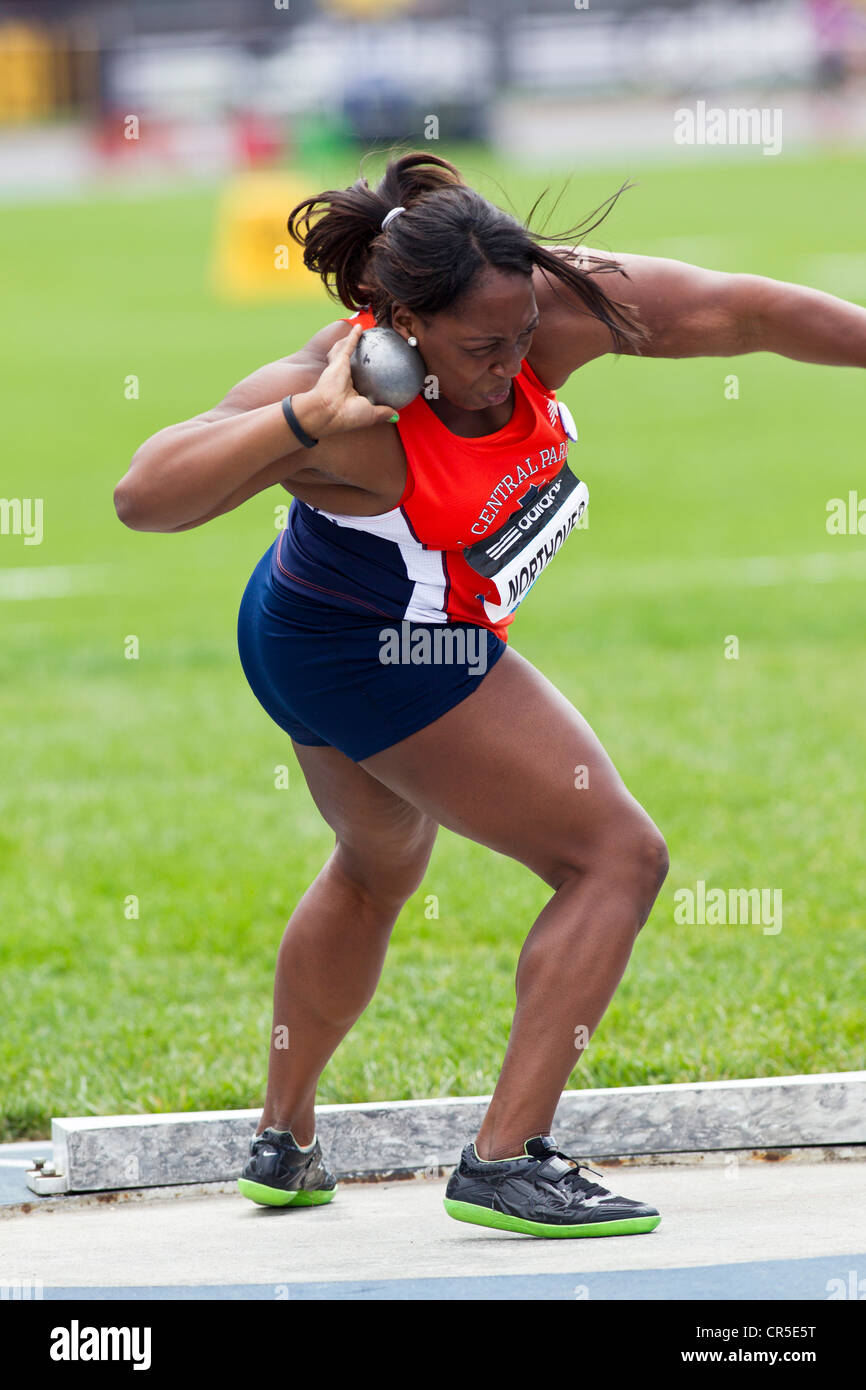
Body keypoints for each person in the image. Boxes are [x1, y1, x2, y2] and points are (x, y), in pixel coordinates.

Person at [114, 150, 866, 1239]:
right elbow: (144, 494)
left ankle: (284, 1140)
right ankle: (504, 1160)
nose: (508, 364)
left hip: (307, 623)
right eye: (478, 348)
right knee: (615, 855)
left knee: (377, 867)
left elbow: (737, 310)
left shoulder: (542, 309)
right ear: (399, 325)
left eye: (519, 336)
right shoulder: (344, 398)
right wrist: (300, 428)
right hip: (374, 651)